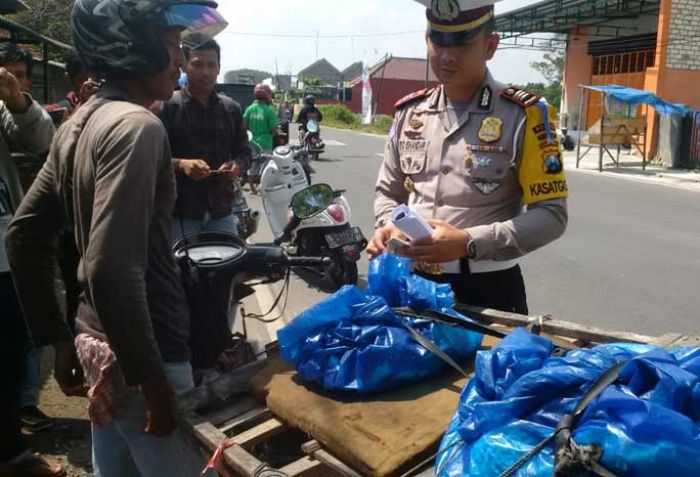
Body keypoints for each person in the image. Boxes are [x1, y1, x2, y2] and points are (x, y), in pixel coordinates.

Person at [5, 1, 228, 476]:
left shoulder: (78, 124)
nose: (179, 62)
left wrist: (58, 337)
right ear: (132, 46)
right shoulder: (138, 127)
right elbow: (111, 268)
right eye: (170, 46)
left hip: (97, 342)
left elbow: (24, 236)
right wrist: (153, 385)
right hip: (149, 351)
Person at [367, 0, 569, 315]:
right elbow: (388, 193)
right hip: (409, 282)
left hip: (486, 291)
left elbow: (552, 215)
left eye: (462, 42)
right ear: (427, 39)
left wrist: (469, 242)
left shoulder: (524, 116)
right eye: (439, 40)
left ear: (490, 46)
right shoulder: (409, 114)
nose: (447, 55)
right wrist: (388, 226)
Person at [0, 43, 58, 475]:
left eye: (21, 75)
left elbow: (42, 139)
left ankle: (11, 450)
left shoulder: (7, 109)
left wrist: (16, 100)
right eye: (10, 75)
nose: (14, 81)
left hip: (5, 255)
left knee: (10, 351)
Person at [155, 39, 251, 242]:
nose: (205, 72)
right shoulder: (167, 107)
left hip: (222, 211)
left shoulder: (231, 109)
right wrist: (181, 164)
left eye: (211, 65)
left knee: (227, 268)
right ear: (184, 66)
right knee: (184, 271)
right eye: (198, 64)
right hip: (180, 213)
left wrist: (237, 165)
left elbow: (245, 152)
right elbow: (149, 158)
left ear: (219, 68)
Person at [45, 50, 101, 125]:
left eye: (95, 79)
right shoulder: (59, 111)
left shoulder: (106, 107)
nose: (89, 85)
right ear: (69, 79)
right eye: (81, 80)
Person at [243, 83, 278, 194]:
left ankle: (253, 189)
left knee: (252, 165)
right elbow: (273, 129)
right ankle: (262, 188)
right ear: (267, 95)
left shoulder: (249, 109)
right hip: (265, 141)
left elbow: (243, 125)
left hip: (252, 141)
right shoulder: (269, 110)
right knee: (265, 166)